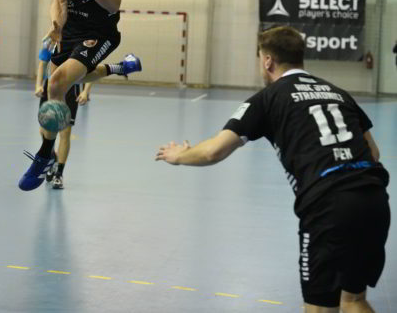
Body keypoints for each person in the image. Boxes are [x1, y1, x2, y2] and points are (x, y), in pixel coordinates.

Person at [156, 26, 390, 313]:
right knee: (353, 300)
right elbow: (373, 153)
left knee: (320, 307)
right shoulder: (339, 93)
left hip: (328, 206)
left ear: (267, 60)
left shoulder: (267, 99)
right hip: (374, 198)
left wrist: (179, 155)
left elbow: (213, 151)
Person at [19, 0, 142, 191]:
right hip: (69, 34)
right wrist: (56, 25)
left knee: (56, 83)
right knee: (53, 100)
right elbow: (59, 1)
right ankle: (119, 68)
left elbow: (113, 4)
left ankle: (44, 157)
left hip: (99, 34)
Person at [34, 37, 92, 189]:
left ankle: (59, 173)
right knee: (44, 130)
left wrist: (85, 91)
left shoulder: (82, 40)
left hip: (70, 89)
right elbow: (42, 63)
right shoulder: (52, 39)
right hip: (50, 87)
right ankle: (52, 157)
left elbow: (91, 68)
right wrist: (38, 85)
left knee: (65, 133)